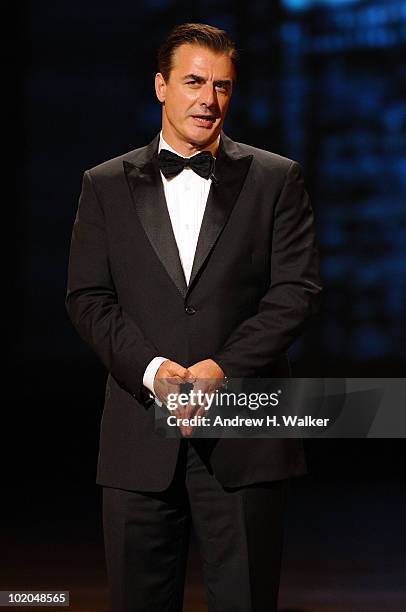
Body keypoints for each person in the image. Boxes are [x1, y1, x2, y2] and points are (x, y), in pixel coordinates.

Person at [66, 22, 322, 612]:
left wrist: (222, 370)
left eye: (223, 85)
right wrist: (155, 372)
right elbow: (87, 298)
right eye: (194, 82)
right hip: (137, 439)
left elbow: (297, 292)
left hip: (246, 437)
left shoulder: (276, 179)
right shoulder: (104, 185)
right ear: (161, 87)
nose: (209, 99)